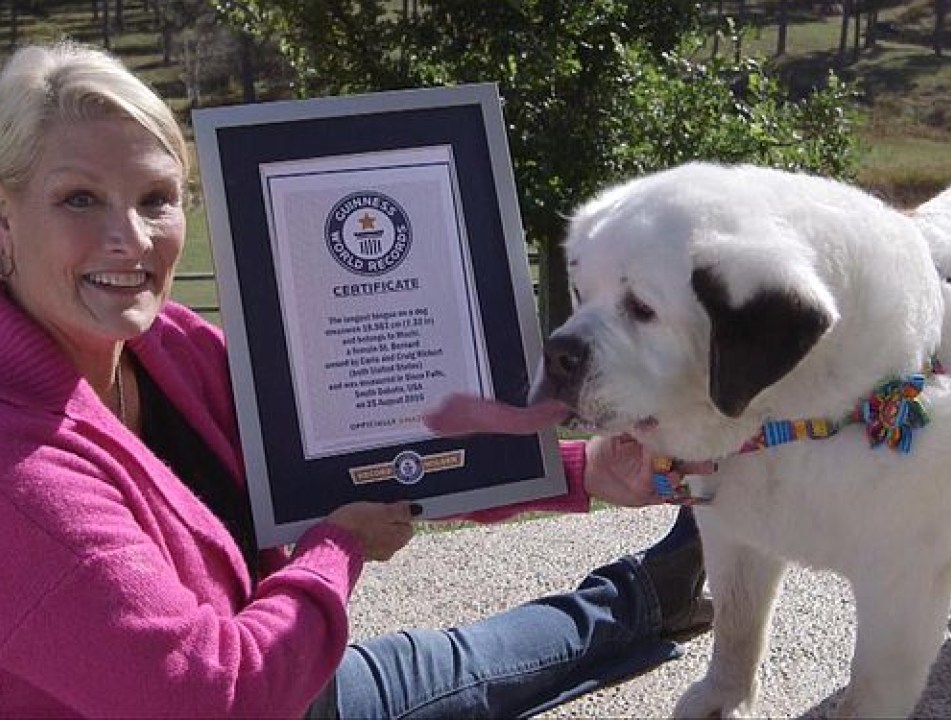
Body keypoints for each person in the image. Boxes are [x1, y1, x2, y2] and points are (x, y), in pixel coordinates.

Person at [0, 39, 709, 718]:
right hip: (256, 691)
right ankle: (643, 598)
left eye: (156, 197)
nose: (131, 238)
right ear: (5, 218)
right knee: (471, 675)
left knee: (468, 667)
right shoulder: (18, 472)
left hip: (281, 668)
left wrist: (586, 473)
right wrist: (336, 549)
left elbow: (360, 454)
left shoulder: (171, 349)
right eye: (80, 199)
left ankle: (647, 593)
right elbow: (211, 700)